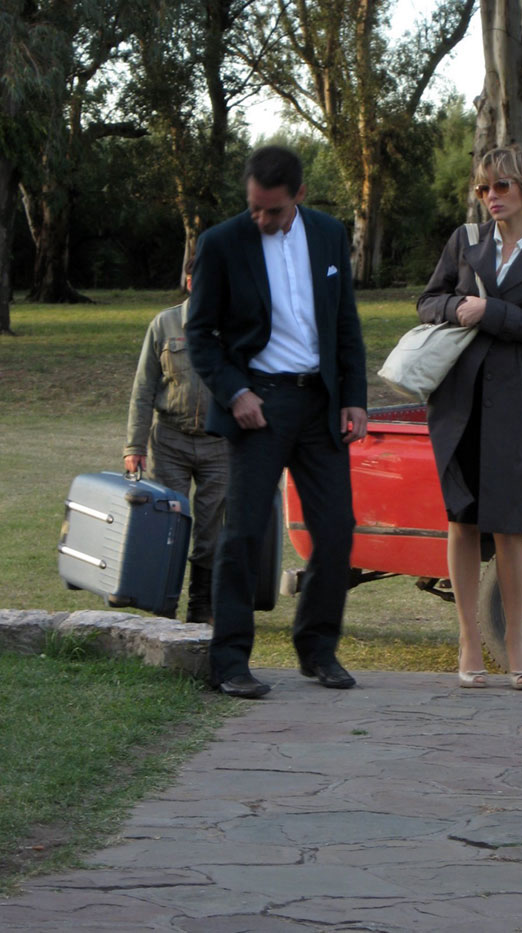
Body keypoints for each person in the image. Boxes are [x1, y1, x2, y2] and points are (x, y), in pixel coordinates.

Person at [187, 144, 367, 699]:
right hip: (258, 404)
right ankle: (229, 662)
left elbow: (344, 320)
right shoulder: (221, 243)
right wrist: (235, 391)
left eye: (273, 210)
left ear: (300, 195)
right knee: (243, 534)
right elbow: (200, 335)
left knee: (336, 531)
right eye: (254, 208)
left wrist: (354, 397)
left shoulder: (330, 233)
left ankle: (318, 651)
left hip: (320, 402)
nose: (261, 219)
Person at [417, 145, 522, 691]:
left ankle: (515, 643)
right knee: (462, 519)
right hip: (459, 399)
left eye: (501, 185)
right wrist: (456, 307)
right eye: (483, 187)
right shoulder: (465, 240)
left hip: (518, 405)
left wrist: (491, 311)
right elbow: (427, 301)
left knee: (510, 525)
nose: (490, 196)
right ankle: (467, 639)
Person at [123, 259, 228, 623]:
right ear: (189, 282)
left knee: (211, 530)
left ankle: (201, 608)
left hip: (219, 445)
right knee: (167, 526)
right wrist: (134, 447)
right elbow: (143, 389)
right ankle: (162, 605)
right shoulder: (163, 324)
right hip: (170, 441)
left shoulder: (237, 326)